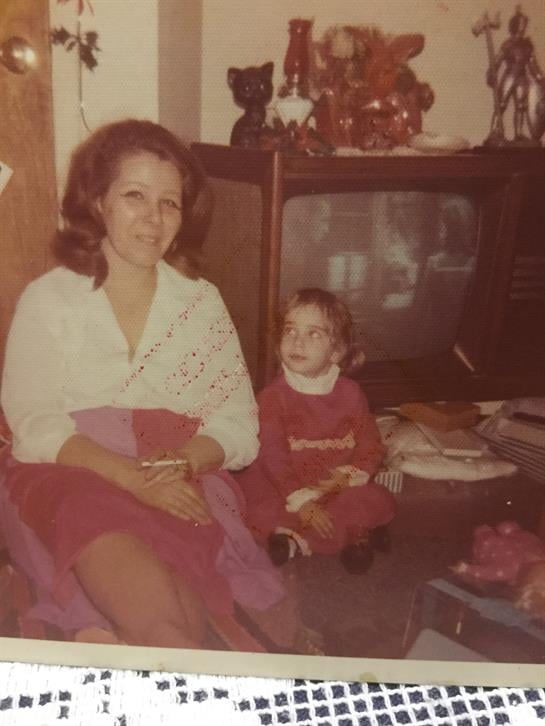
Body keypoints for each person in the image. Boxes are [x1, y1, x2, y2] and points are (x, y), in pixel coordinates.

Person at [0, 119, 292, 650]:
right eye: (134, 195)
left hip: (177, 471)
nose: (154, 219)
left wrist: (180, 463)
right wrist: (131, 478)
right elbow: (34, 423)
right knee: (156, 622)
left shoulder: (200, 303)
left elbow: (237, 425)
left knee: (173, 621)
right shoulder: (50, 297)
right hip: (72, 470)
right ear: (98, 202)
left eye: (170, 203)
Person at [236, 288, 395, 574]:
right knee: (256, 510)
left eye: (314, 334)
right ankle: (299, 539)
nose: (298, 342)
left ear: (336, 352)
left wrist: (350, 475)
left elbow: (370, 444)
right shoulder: (273, 398)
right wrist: (301, 500)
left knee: (378, 499)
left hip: (330, 486)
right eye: (290, 331)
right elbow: (273, 459)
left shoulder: (352, 394)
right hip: (283, 487)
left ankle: (345, 533)